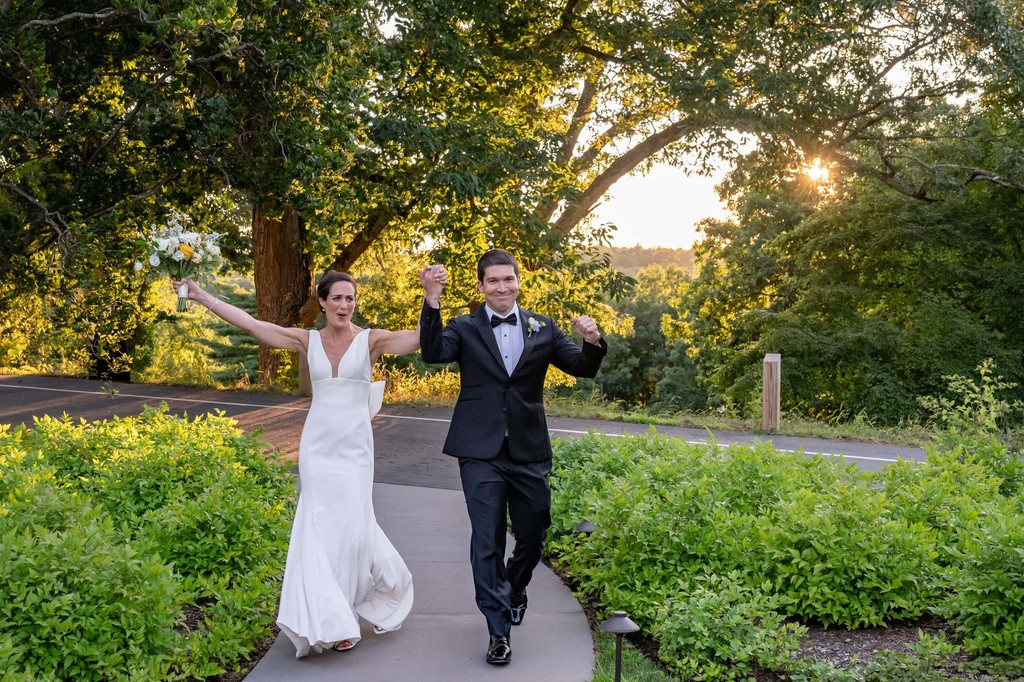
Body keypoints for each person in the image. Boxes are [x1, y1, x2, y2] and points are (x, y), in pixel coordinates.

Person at [173, 269, 444, 657]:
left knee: (351, 531)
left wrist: (430, 296)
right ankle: (332, 619)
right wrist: (202, 297)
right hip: (317, 450)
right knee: (317, 528)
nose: (344, 306)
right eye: (337, 298)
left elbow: (419, 339)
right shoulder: (307, 340)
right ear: (322, 302)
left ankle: (347, 607)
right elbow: (252, 324)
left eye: (350, 299)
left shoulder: (371, 341)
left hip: (354, 451)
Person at [417, 249, 607, 666]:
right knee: (486, 540)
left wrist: (591, 341)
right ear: (481, 286)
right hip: (478, 450)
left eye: (508, 279)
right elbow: (432, 353)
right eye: (493, 281)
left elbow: (582, 367)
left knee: (533, 537)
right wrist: (431, 300)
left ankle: (516, 586)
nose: (501, 287)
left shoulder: (543, 326)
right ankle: (498, 631)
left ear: (518, 282)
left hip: (528, 449)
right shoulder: (464, 327)